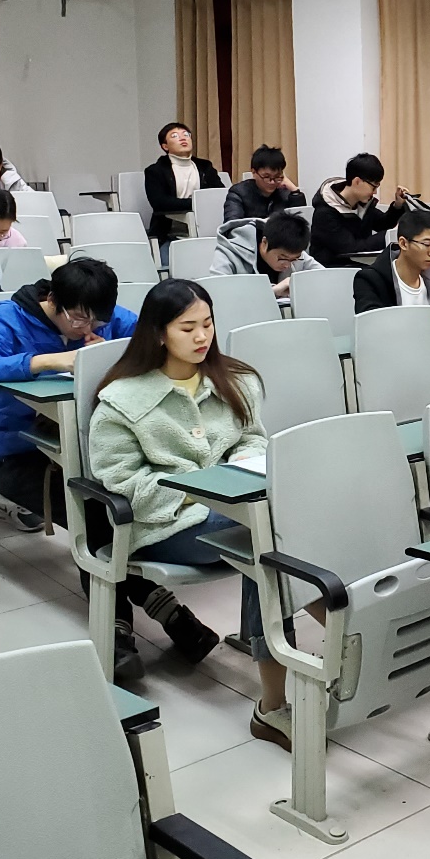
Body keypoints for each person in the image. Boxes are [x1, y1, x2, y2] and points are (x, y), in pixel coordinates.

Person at [90, 279, 311, 740]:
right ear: (158, 333)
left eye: (207, 324)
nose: (201, 336)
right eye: (187, 327)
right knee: (269, 536)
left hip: (236, 513)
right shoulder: (121, 401)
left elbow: (253, 439)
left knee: (273, 542)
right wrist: (201, 490)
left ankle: (285, 693)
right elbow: (124, 484)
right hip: (165, 524)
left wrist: (236, 470)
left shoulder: (233, 379)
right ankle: (333, 656)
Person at [0, 258, 137, 531]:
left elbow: (153, 347)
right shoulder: (8, 319)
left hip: (92, 446)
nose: (87, 328)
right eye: (78, 319)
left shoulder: (103, 315)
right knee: (101, 518)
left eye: (97, 321)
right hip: (19, 454)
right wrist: (46, 361)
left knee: (141, 501)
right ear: (52, 300)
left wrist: (108, 353)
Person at [353, 208, 430, 330]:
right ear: (403, 243)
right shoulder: (369, 279)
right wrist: (428, 320)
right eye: (427, 244)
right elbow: (371, 323)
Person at [309, 152, 409, 268]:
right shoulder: (325, 213)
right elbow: (351, 248)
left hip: (358, 263)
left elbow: (382, 223)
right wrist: (386, 236)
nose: (375, 192)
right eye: (373, 187)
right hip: (332, 269)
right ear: (357, 181)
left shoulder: (361, 203)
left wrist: (397, 205)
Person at [144, 122, 224, 243]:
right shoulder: (155, 171)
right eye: (175, 136)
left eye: (186, 134)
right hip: (169, 232)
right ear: (165, 146)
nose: (182, 138)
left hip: (208, 227)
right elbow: (159, 203)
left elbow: (219, 193)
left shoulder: (205, 166)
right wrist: (197, 203)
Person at [210, 210, 321, 297]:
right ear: (264, 243)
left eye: (294, 259)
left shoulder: (293, 252)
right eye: (282, 258)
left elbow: (323, 276)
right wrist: (272, 291)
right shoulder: (229, 252)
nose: (287, 265)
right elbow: (218, 293)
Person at [223, 144, 306, 222]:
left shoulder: (285, 193)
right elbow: (232, 224)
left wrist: (295, 191)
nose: (272, 182)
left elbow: (301, 224)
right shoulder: (239, 193)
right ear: (254, 172)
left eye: (277, 176)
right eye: (266, 177)